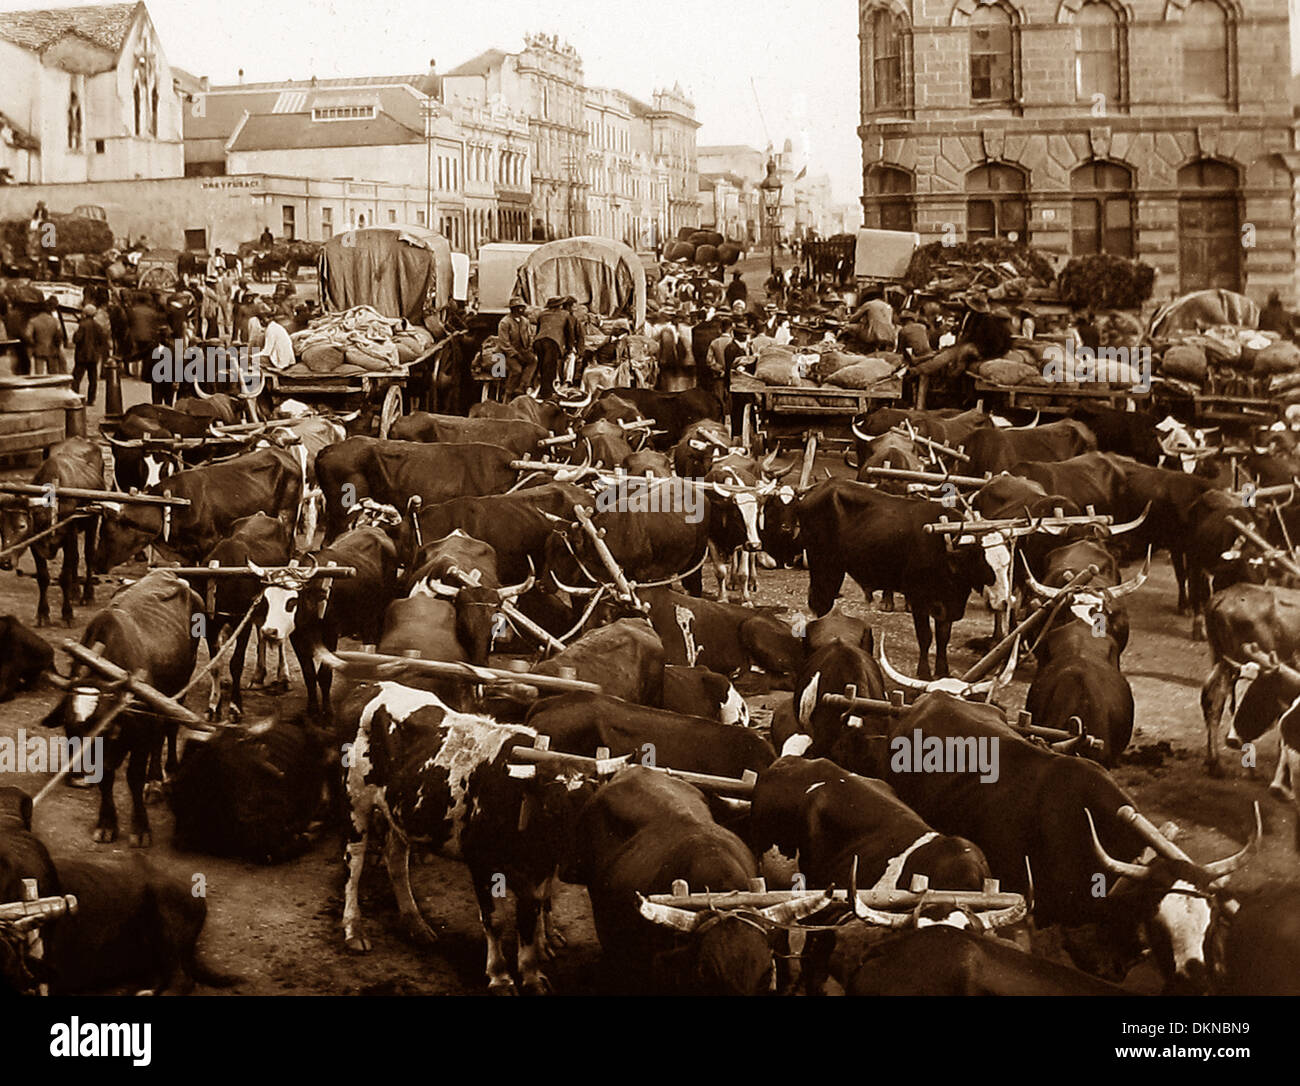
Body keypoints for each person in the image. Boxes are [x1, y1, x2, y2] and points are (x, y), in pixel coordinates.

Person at [534, 296, 581, 396]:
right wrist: (569, 348)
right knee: (550, 367)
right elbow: (570, 333)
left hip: (538, 342)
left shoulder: (542, 314)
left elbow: (538, 330)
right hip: (552, 342)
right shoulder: (565, 315)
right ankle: (547, 393)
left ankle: (544, 389)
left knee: (542, 366)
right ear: (560, 305)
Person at [497, 298, 536, 397]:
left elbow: (530, 336)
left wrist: (529, 348)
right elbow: (504, 343)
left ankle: (522, 387)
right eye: (518, 308)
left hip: (522, 351)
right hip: (506, 353)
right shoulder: (505, 322)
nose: (521, 310)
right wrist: (515, 354)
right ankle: (508, 392)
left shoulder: (525, 321)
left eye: (522, 308)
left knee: (533, 361)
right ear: (512, 309)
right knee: (517, 370)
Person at [71, 303, 108, 405]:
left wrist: (75, 333)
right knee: (93, 379)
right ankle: (91, 399)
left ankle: (75, 397)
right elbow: (102, 340)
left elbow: (77, 339)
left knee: (76, 378)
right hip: (93, 356)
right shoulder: (98, 326)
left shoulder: (82, 325)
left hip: (82, 355)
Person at [26, 298, 64, 376]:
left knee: (39, 374)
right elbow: (60, 335)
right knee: (53, 374)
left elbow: (28, 335)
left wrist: (33, 343)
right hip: (52, 349)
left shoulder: (33, 321)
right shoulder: (55, 321)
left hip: (38, 349)